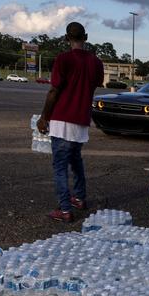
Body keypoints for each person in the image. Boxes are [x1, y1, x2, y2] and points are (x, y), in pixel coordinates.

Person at [37, 22, 104, 223]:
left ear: (67, 38)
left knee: (59, 167)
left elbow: (54, 91)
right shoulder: (96, 62)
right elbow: (94, 84)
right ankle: (79, 198)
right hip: (81, 121)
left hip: (62, 120)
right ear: (86, 36)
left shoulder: (63, 59)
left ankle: (65, 209)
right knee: (76, 161)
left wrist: (43, 117)